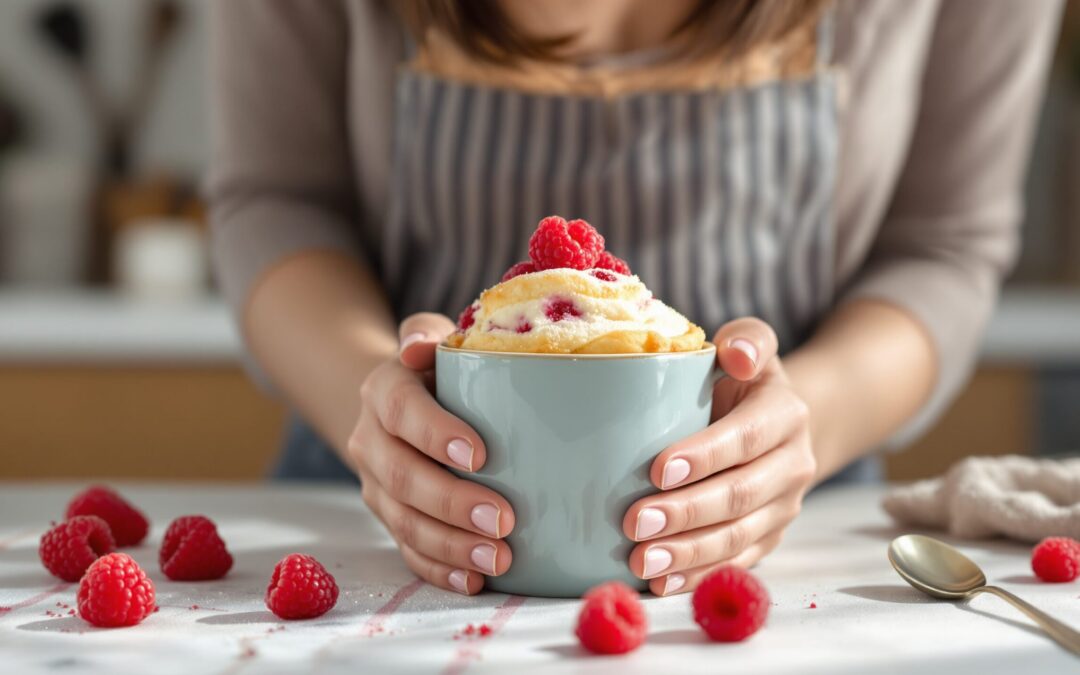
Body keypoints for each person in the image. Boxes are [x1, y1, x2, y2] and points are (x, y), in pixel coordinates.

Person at [207, 0, 1063, 597]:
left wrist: (806, 416)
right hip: (384, 518)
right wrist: (380, 399)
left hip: (782, 532)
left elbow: (941, 248)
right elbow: (277, 200)